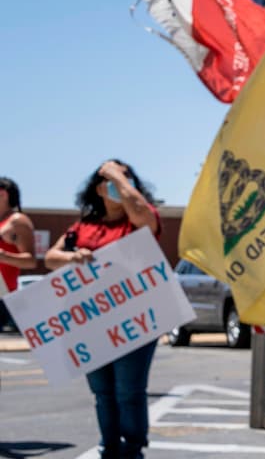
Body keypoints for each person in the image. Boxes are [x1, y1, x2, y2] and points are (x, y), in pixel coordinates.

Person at [45, 161, 161, 459]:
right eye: (108, 182)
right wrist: (73, 258)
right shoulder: (83, 226)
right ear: (97, 190)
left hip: (133, 320)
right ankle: (109, 448)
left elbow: (144, 219)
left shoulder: (136, 221)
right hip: (91, 322)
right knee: (103, 393)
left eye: (125, 179)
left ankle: (132, 450)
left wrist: (118, 178)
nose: (117, 185)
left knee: (129, 392)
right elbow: (50, 258)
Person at [0, 176, 37, 331]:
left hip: (2, 295)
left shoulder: (17, 221)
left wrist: (3, 256)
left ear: (4, 195)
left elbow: (31, 261)